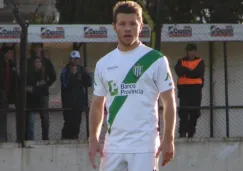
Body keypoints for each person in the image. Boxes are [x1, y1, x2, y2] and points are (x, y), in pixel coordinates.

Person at [88, 1, 176, 171]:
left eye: (132, 24)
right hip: (113, 146)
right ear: (114, 27)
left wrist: (168, 139)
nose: (127, 28)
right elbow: (97, 104)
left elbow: (169, 102)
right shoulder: (103, 64)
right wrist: (93, 139)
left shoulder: (156, 60)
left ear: (141, 26)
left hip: (144, 145)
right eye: (122, 24)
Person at [26, 43, 56, 140]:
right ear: (33, 49)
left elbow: (53, 77)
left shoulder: (47, 61)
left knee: (44, 117)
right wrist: (27, 87)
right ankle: (29, 140)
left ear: (42, 48)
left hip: (43, 94)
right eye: (36, 47)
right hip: (30, 95)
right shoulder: (28, 61)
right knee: (30, 119)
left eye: (39, 47)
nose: (38, 49)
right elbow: (23, 76)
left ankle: (45, 139)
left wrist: (45, 83)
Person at [174, 43, 205, 138]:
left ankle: (191, 134)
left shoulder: (200, 61)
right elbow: (178, 70)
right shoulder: (181, 61)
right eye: (188, 50)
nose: (189, 52)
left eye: (191, 50)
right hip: (184, 91)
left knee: (194, 113)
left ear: (195, 51)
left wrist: (185, 72)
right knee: (183, 113)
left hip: (195, 91)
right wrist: (191, 73)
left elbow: (198, 73)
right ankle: (182, 133)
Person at [61, 50, 92, 139]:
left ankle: (75, 136)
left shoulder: (82, 70)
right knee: (69, 121)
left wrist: (88, 74)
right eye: (73, 59)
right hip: (68, 101)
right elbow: (65, 84)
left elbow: (88, 83)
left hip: (79, 101)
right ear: (70, 60)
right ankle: (65, 138)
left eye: (76, 59)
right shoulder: (65, 70)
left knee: (77, 121)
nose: (75, 61)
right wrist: (72, 74)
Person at [0, 46, 18, 142]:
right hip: (1, 94)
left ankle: (3, 138)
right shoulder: (1, 64)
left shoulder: (12, 65)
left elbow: (15, 79)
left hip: (6, 96)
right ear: (4, 54)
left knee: (3, 118)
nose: (11, 55)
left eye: (12, 53)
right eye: (9, 53)